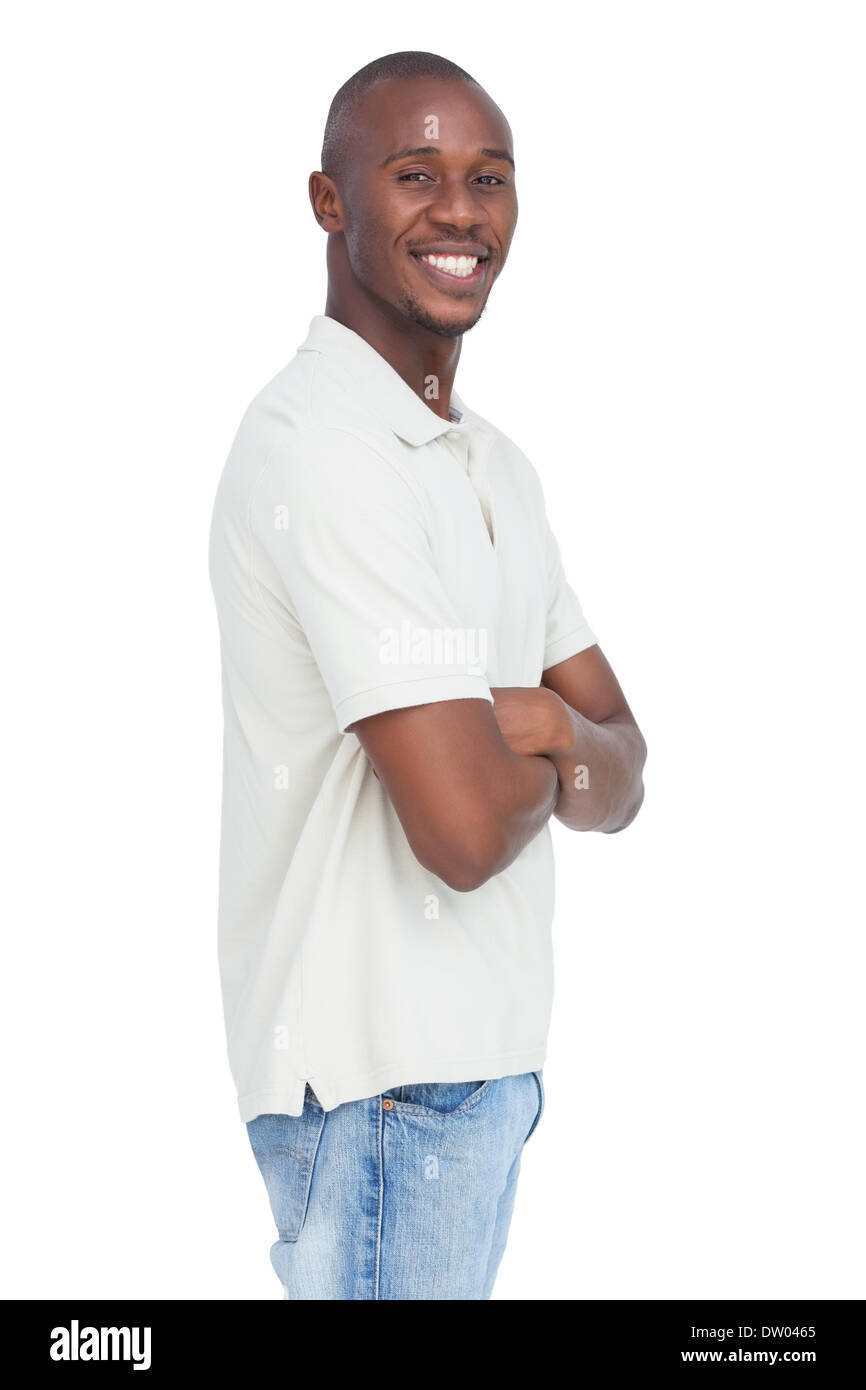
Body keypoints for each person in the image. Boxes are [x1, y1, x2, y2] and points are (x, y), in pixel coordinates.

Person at [208, 49, 647, 1301]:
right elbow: (457, 828)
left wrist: (547, 721)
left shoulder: (491, 466)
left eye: (488, 179)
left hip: (484, 1068)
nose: (460, 212)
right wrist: (560, 745)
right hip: (382, 1080)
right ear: (328, 202)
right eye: (415, 175)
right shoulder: (322, 449)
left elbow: (625, 766)